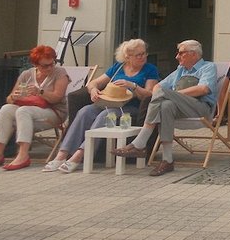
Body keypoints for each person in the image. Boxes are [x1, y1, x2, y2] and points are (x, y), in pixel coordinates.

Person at [43, 39, 159, 173]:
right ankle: (62, 154)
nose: (143, 57)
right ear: (127, 56)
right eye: (138, 55)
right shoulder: (118, 67)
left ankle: (79, 155)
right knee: (84, 111)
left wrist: (133, 85)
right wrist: (93, 90)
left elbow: (149, 94)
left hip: (130, 107)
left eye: (144, 53)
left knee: (105, 116)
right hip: (109, 102)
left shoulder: (150, 69)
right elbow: (93, 83)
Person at [112, 40, 218, 176]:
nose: (177, 57)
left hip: (201, 108)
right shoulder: (180, 70)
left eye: (181, 53)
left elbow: (203, 89)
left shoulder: (208, 67)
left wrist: (173, 95)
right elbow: (158, 86)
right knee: (166, 105)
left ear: (193, 54)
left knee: (164, 96)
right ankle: (167, 160)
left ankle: (140, 141)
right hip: (180, 109)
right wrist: (170, 96)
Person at [0, 45, 69, 171]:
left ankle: (23, 155)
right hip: (29, 111)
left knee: (23, 111)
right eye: (45, 65)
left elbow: (57, 98)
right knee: (6, 109)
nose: (50, 67)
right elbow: (9, 99)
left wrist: (40, 92)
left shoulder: (60, 73)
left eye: (52, 63)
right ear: (35, 64)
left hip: (54, 112)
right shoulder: (26, 74)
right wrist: (14, 97)